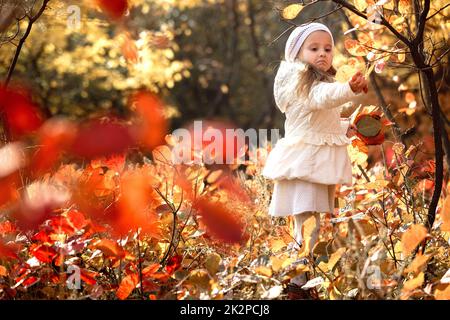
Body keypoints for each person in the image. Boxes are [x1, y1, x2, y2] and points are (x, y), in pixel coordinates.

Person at [262, 22, 368, 296]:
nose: (322, 53)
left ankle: (298, 278)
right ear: (297, 54)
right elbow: (323, 98)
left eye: (327, 49)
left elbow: (319, 119)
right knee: (308, 225)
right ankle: (297, 284)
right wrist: (349, 89)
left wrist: (345, 127)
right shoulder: (302, 80)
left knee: (311, 226)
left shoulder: (317, 81)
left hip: (313, 163)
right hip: (305, 165)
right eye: (314, 48)